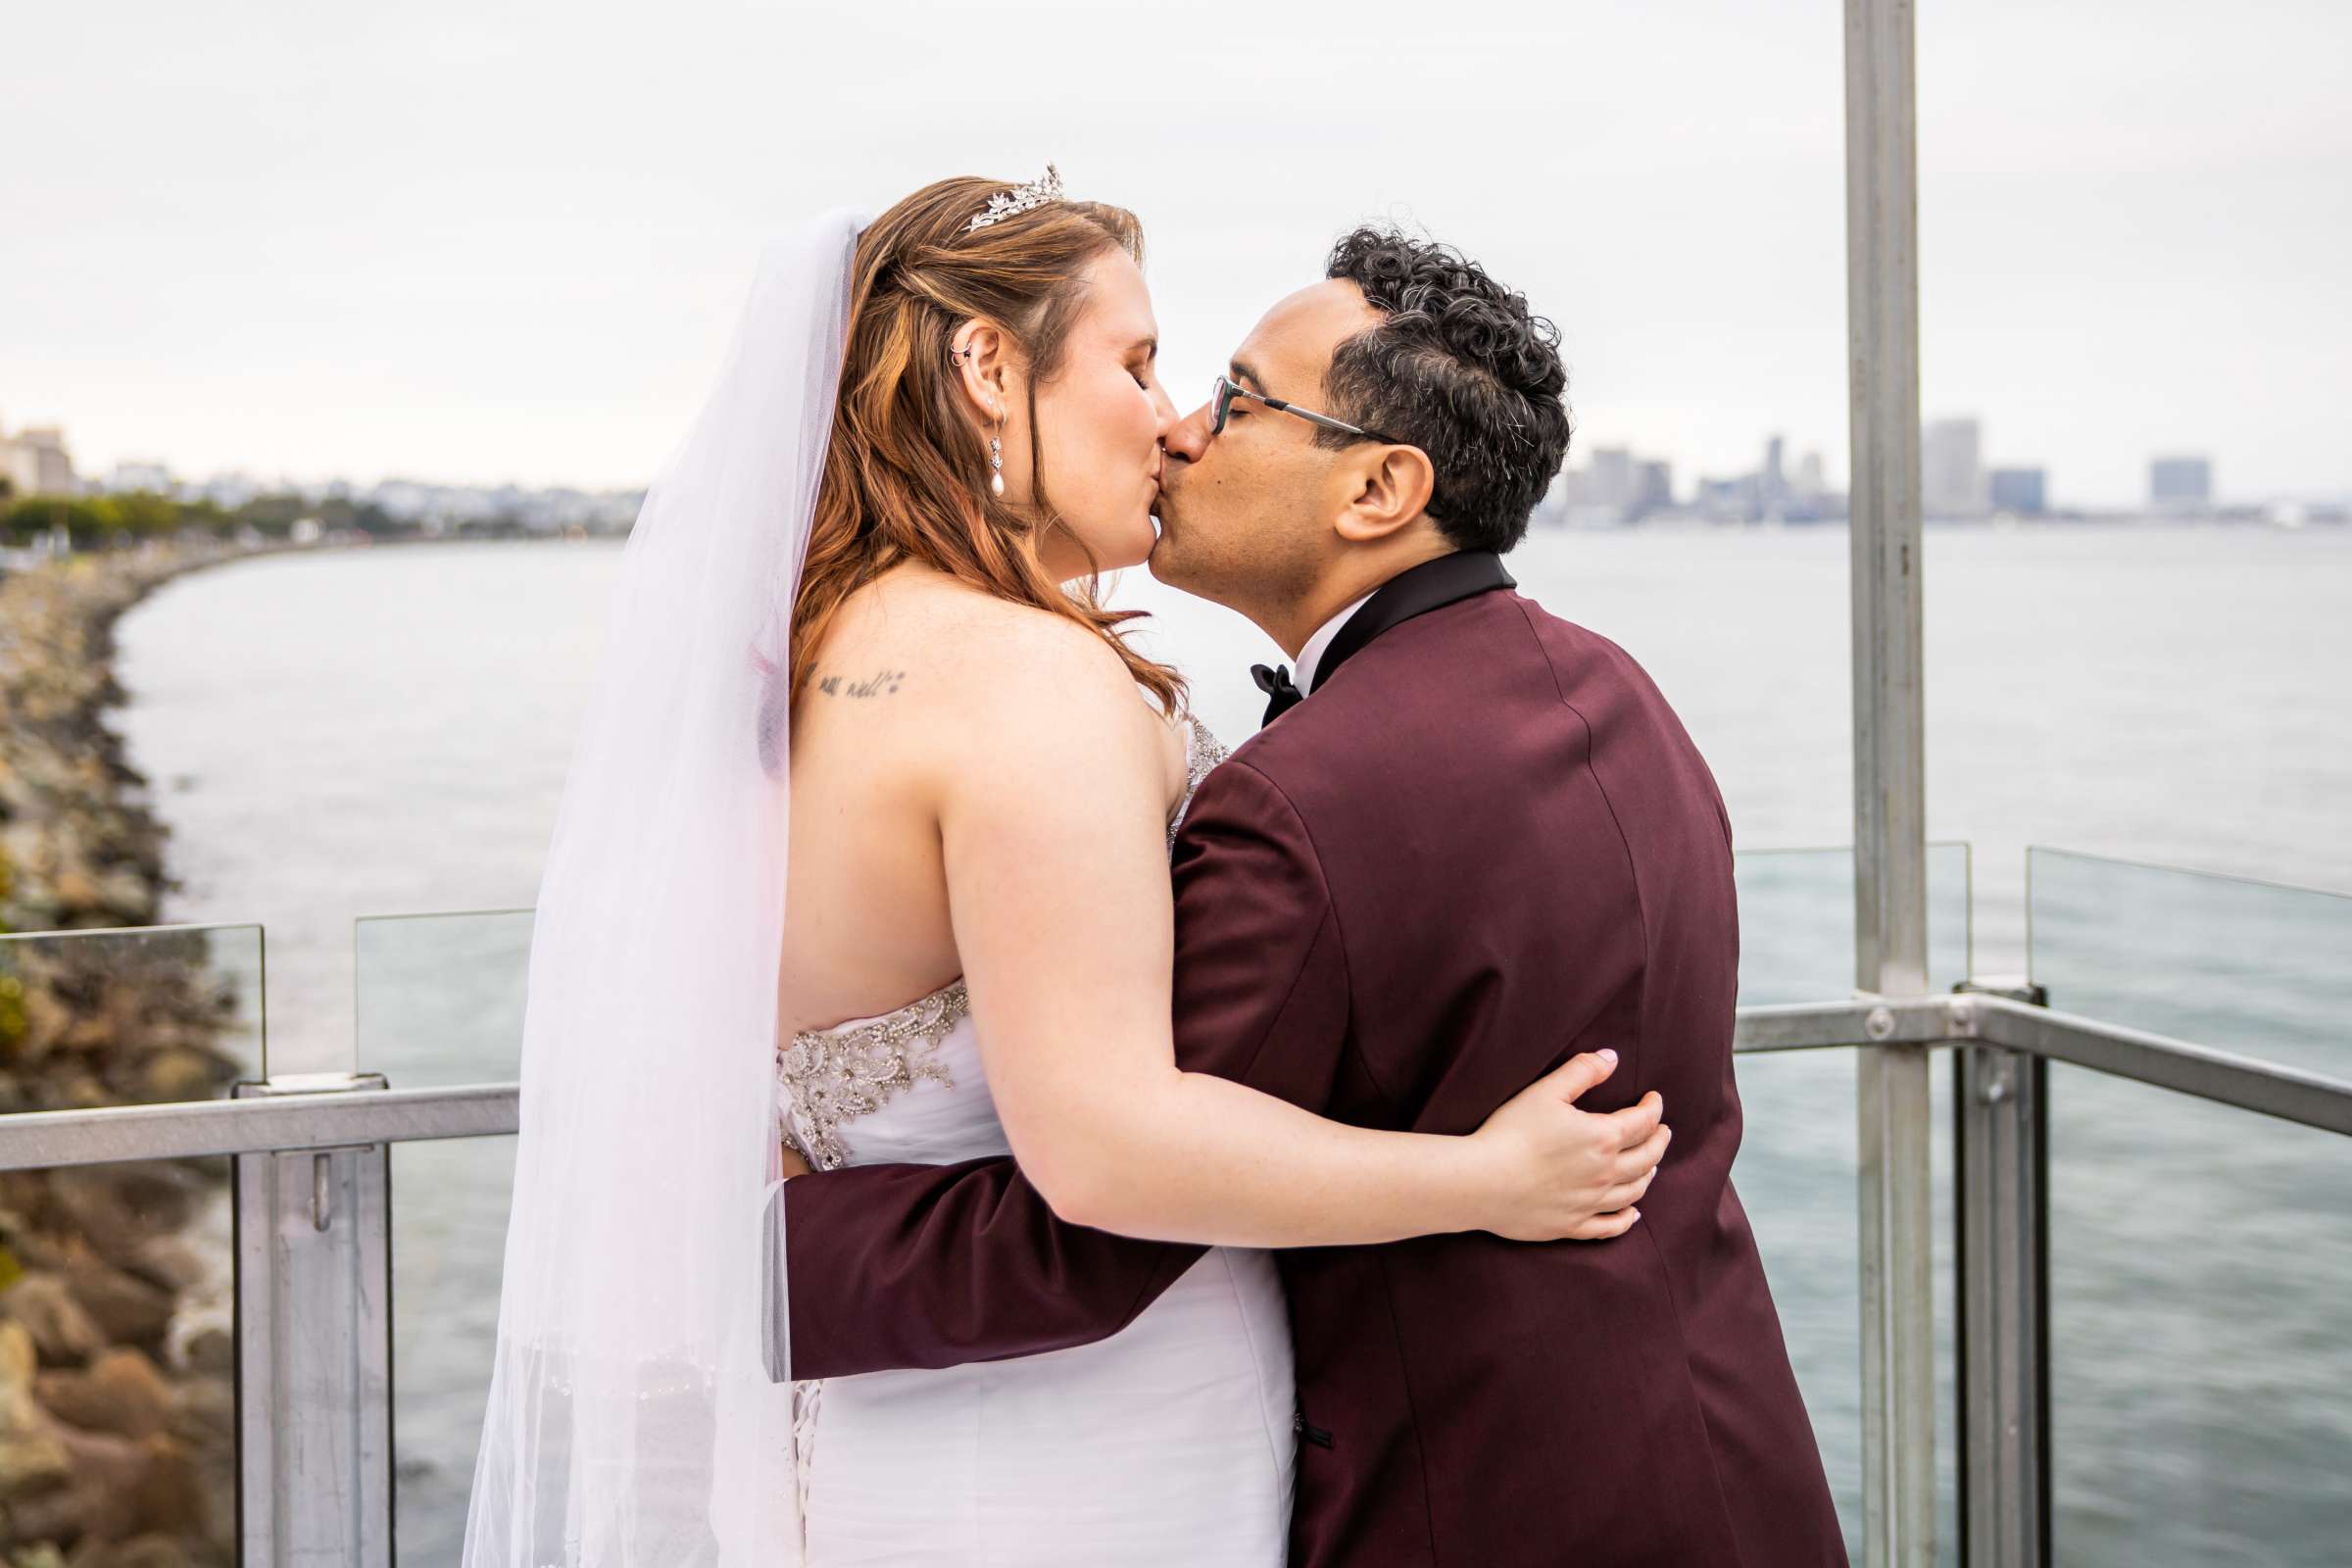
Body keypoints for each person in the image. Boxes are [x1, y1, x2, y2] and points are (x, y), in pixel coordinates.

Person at [463, 172, 1665, 1568]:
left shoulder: (807, 656)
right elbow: (1103, 1150)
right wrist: (1485, 1178)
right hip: (1071, 1443)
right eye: (1140, 363)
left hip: (865, 1417)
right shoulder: (1025, 680)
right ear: (988, 367)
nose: (1171, 421)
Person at [778, 224, 1850, 1565]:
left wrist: (750, 1252)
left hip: (1469, 1507)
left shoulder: (1302, 804)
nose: (1179, 430)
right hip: (1725, 1459)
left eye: (1232, 398)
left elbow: (1103, 1221)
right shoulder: (1620, 696)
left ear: (1380, 491)